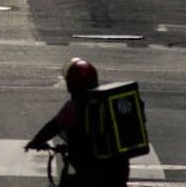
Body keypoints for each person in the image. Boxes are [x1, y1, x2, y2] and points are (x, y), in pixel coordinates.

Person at [25, 58, 130, 186]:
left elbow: (52, 127)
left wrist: (35, 142)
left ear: (72, 85)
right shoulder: (110, 102)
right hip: (119, 171)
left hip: (89, 173)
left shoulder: (74, 106)